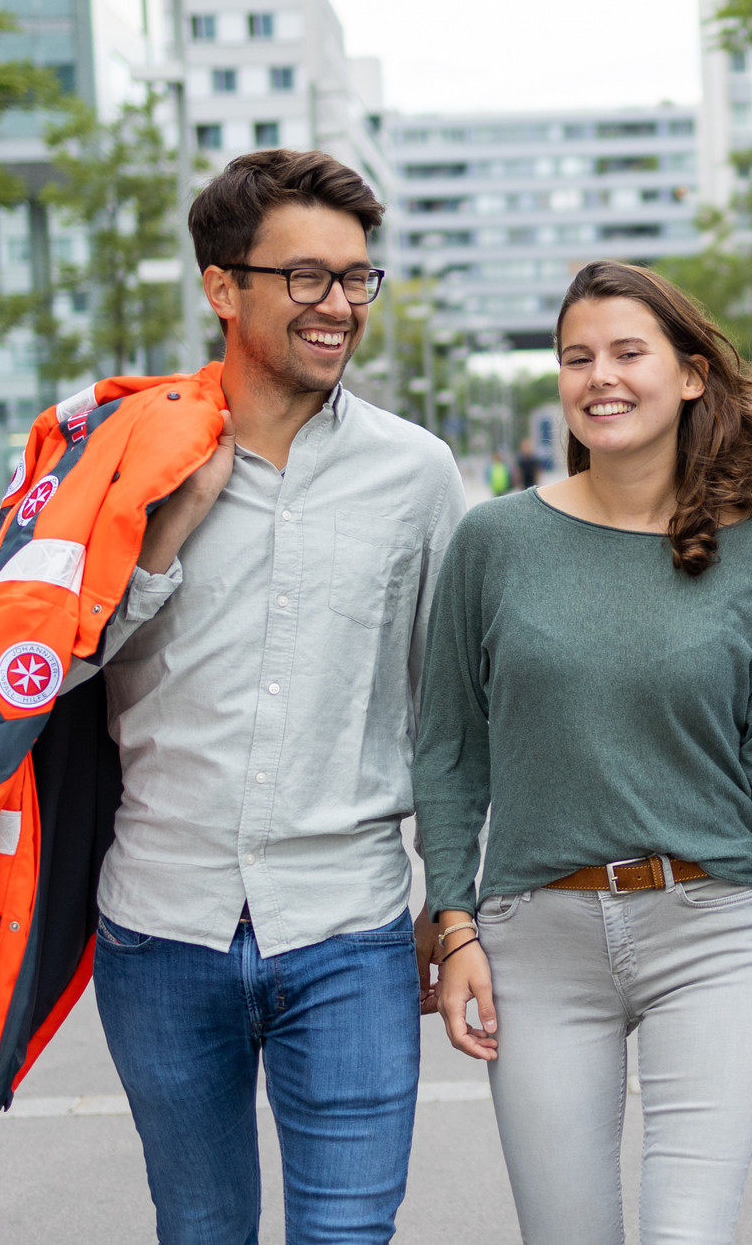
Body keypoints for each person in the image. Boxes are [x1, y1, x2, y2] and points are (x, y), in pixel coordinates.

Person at [415, 260, 752, 1245]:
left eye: (625, 353)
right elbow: (446, 749)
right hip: (536, 936)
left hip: (713, 934)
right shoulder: (495, 542)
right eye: (576, 357)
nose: (598, 375)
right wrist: (457, 921)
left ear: (691, 375)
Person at [84, 151, 464, 1241]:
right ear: (222, 287)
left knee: (349, 1233)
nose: (338, 304)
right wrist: (159, 539)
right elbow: (42, 671)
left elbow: (444, 708)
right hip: (161, 925)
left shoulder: (419, 473)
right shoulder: (125, 459)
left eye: (354, 278)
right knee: (200, 1226)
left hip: (348, 925)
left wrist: (452, 898)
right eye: (305, 276)